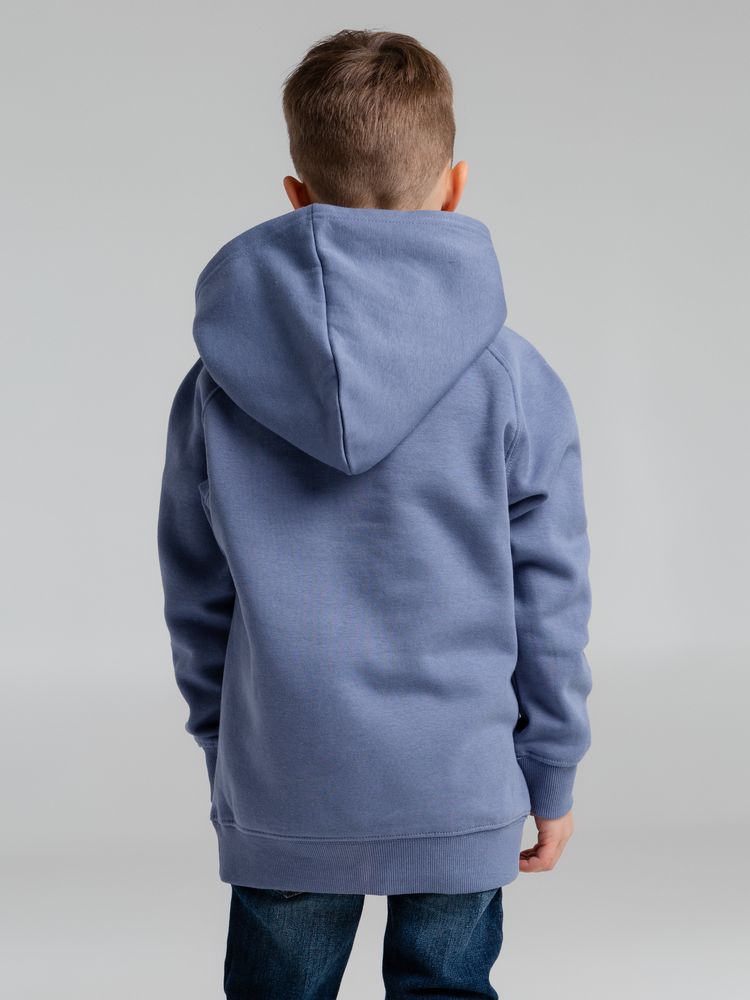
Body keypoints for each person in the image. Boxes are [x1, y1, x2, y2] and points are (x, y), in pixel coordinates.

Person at [157, 28, 593, 1000]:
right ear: (456, 185)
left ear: (297, 195)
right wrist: (551, 769)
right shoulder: (514, 380)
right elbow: (552, 599)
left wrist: (227, 752)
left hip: (284, 778)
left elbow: (195, 590)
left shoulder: (217, 385)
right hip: (460, 779)